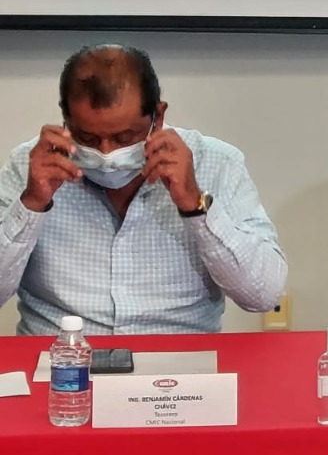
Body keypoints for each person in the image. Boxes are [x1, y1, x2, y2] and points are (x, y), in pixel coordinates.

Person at [0, 45, 287, 335]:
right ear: (65, 120)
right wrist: (31, 204)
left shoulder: (217, 163)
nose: (106, 154)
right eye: (87, 138)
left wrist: (196, 205)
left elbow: (263, 296)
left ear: (157, 117)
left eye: (125, 137)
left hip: (181, 355)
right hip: (63, 354)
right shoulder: (30, 166)